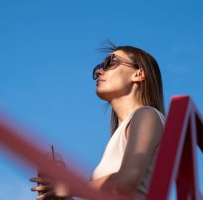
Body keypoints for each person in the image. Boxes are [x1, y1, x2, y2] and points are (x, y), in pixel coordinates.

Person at [30, 43, 165, 200]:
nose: (99, 71)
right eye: (99, 67)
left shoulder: (146, 115)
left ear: (139, 74)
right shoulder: (116, 140)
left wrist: (67, 187)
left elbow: (125, 182)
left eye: (110, 63)